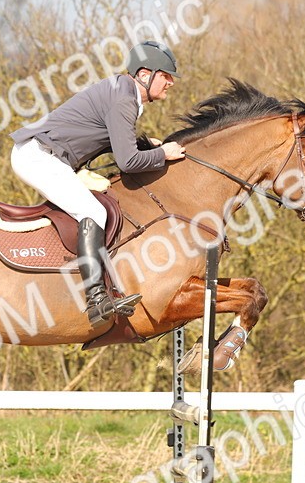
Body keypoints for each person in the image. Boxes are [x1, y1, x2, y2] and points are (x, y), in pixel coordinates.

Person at [9, 40, 186, 326]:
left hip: (46, 154)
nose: (170, 83)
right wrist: (162, 154)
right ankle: (96, 300)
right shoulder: (124, 99)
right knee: (94, 212)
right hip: (37, 156)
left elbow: (114, 143)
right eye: (166, 76)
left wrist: (146, 145)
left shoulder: (122, 92)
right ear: (144, 75)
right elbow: (127, 162)